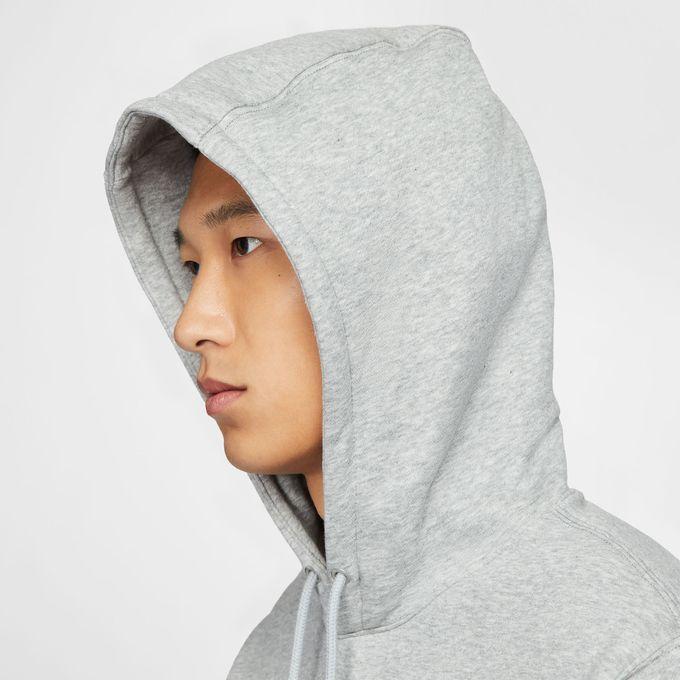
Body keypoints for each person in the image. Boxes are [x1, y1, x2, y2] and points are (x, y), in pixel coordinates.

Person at [103, 24, 680, 680]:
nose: (190, 324)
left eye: (246, 245)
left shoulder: (633, 649)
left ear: (408, 268)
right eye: (190, 265)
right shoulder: (278, 651)